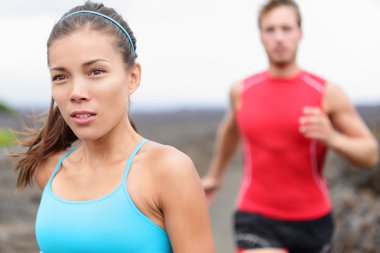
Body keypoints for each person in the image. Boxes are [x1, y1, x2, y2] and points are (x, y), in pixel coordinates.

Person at [11, 2, 215, 253]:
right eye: (60, 77)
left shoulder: (168, 171)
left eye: (96, 71)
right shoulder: (50, 170)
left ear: (133, 77)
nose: (76, 93)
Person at [202, 0, 379, 252]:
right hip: (255, 217)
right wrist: (215, 176)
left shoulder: (326, 92)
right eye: (270, 29)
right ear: (261, 36)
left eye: (286, 28)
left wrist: (332, 138)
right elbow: (230, 130)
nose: (279, 38)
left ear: (300, 33)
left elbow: (370, 154)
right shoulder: (242, 90)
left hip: (312, 222)